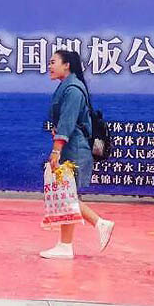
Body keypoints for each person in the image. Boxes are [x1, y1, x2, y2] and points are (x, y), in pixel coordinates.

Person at [40, 50, 114, 259]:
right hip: (72, 146)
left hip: (74, 149)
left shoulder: (72, 89)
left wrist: (56, 150)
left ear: (67, 65)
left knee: (67, 195)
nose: (49, 66)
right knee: (67, 195)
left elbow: (67, 122)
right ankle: (66, 244)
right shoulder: (69, 87)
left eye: (53, 62)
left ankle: (99, 223)